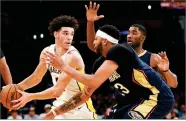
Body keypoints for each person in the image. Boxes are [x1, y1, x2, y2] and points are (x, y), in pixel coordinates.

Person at [42, 24, 175, 119]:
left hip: (157, 98)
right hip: (134, 101)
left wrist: (64, 67)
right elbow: (83, 96)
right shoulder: (100, 64)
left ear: (105, 41)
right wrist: (54, 113)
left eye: (96, 39)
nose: (93, 43)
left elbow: (93, 80)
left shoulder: (120, 50)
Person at [12, 15, 96, 119]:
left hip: (79, 108)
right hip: (60, 104)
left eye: (72, 34)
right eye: (65, 33)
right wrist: (16, 88)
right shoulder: (47, 52)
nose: (69, 37)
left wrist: (30, 96)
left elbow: (57, 90)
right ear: (56, 34)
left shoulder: (72, 56)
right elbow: (36, 77)